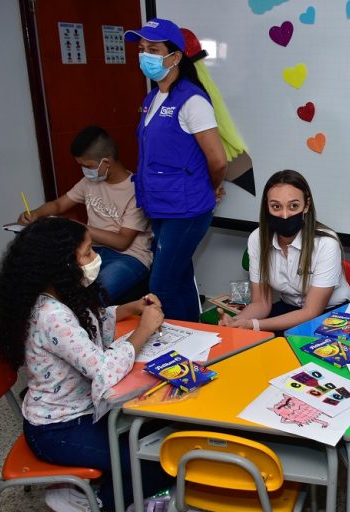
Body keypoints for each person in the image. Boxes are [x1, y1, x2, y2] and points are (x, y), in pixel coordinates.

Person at [0, 217, 170, 511]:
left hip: (83, 412)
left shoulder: (62, 293)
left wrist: (130, 308)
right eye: (87, 253)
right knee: (156, 462)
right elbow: (104, 370)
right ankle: (94, 502)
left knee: (156, 434)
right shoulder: (51, 314)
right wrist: (143, 331)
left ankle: (95, 487)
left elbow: (92, 322)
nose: (96, 258)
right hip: (57, 430)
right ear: (61, 263)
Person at [124, 18, 228, 321]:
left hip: (187, 209)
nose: (145, 56)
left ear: (176, 56)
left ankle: (170, 342)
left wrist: (210, 187)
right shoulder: (152, 98)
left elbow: (218, 159)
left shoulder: (192, 101)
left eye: (154, 50)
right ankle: (195, 339)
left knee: (160, 287)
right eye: (142, 49)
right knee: (180, 278)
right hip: (160, 206)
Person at [17, 126, 152, 304]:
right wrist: (36, 213)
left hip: (130, 257)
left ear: (106, 162)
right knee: (53, 286)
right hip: (92, 252)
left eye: (87, 166)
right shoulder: (89, 182)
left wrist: (78, 227)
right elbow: (59, 204)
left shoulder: (136, 189)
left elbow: (122, 242)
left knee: (93, 298)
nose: (84, 170)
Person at [219, 170, 350, 334]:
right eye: (276, 206)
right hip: (290, 308)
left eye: (293, 206)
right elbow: (261, 304)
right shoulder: (257, 239)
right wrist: (237, 321)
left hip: (332, 312)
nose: (284, 215)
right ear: (267, 207)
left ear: (307, 205)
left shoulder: (326, 244)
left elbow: (311, 312)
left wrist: (254, 325)